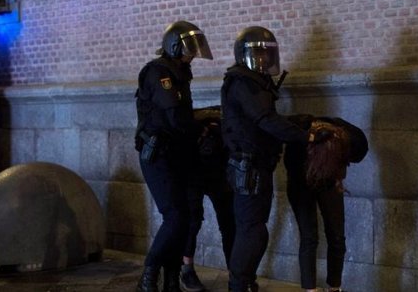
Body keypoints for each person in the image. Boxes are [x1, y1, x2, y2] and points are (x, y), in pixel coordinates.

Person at [220, 26, 331, 292]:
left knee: (252, 230)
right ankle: (238, 285)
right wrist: (308, 138)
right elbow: (265, 120)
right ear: (244, 55)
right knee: (253, 232)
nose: (263, 60)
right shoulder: (243, 82)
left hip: (256, 165)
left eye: (267, 54)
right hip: (250, 167)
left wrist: (297, 124)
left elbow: (264, 120)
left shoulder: (254, 81)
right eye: (257, 54)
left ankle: (244, 282)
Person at [135, 20, 213, 292]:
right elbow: (175, 117)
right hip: (159, 155)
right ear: (174, 46)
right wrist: (200, 123)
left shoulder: (181, 72)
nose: (193, 54)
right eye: (189, 48)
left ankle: (171, 279)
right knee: (176, 216)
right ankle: (149, 272)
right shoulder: (159, 73)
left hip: (179, 154)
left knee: (188, 216)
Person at [284, 115, 369, 292]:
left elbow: (356, 153)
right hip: (300, 180)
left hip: (327, 181)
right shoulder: (299, 142)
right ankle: (311, 289)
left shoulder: (345, 137)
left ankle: (334, 288)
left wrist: (335, 175)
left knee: (336, 237)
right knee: (310, 238)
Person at [180, 106, 236, 292]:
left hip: (218, 173)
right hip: (193, 172)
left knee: (229, 223)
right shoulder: (194, 128)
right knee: (192, 221)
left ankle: (235, 274)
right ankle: (186, 270)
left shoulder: (227, 126)